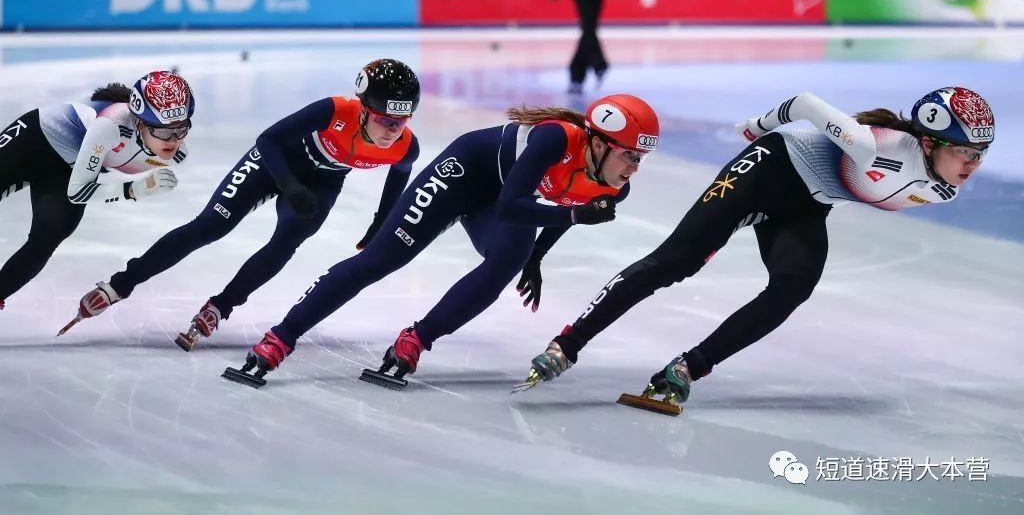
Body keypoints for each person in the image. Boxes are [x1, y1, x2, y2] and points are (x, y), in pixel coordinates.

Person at [519, 87, 995, 408]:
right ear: (930, 143)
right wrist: (758, 126)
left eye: (981, 155)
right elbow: (806, 104)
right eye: (966, 153)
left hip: (808, 201)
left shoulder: (943, 186)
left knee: (794, 285)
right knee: (677, 261)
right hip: (771, 165)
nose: (973, 165)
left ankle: (687, 367)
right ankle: (568, 344)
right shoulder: (877, 146)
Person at [224, 94, 660, 387]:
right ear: (599, 143)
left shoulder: (613, 184)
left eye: (642, 160)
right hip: (465, 172)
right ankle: (281, 336)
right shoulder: (554, 138)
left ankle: (416, 339)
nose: (635, 168)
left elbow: (568, 205)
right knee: (382, 259)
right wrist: (572, 215)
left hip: (505, 198)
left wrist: (537, 257)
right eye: (629, 156)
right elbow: (515, 206)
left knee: (510, 259)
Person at [66, 60, 421, 351]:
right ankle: (121, 284)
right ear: (363, 109)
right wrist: (290, 185)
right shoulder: (334, 111)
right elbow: (267, 140)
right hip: (275, 163)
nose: (392, 130)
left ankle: (222, 305)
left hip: (323, 181)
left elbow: (399, 177)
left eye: (401, 121)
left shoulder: (405, 145)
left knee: (286, 243)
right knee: (210, 226)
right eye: (385, 120)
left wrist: (380, 223)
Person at [0, 71, 194, 313]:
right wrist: (134, 190)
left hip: (67, 172)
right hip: (35, 139)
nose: (174, 139)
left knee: (46, 239)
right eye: (165, 131)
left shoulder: (175, 155)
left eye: (182, 128)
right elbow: (78, 191)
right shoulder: (111, 125)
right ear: (141, 122)